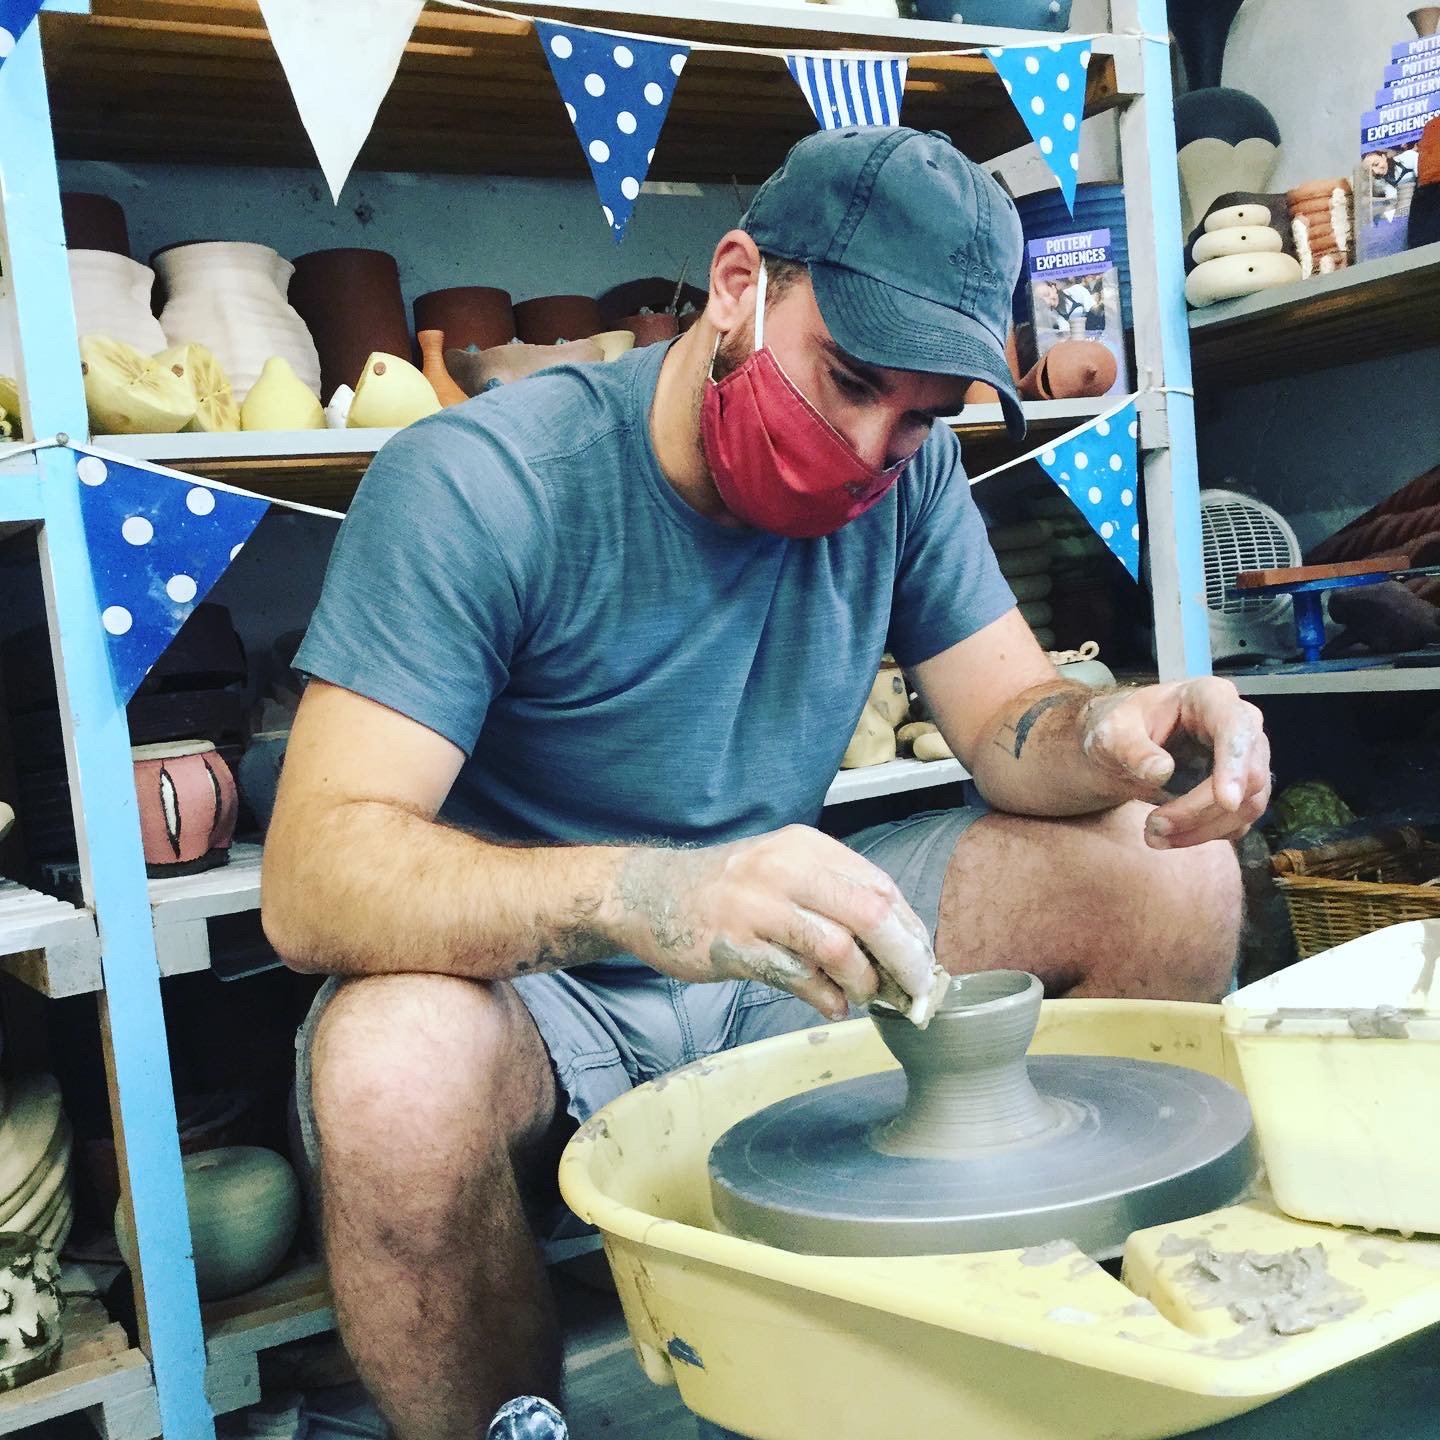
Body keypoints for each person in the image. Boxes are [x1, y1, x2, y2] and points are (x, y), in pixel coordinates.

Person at [262, 126, 1270, 1440]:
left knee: (1168, 869)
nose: (871, 448)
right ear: (739, 283)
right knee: (388, 1074)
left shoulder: (904, 477)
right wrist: (655, 894)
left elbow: (1011, 720)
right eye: (847, 381)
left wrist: (1114, 735)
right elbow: (313, 875)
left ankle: (1050, 1363)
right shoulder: (486, 481)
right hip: (537, 976)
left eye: (920, 416)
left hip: (778, 947)